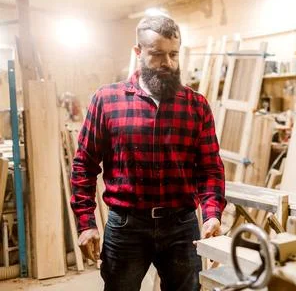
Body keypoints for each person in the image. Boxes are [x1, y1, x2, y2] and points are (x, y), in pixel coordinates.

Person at [70, 15, 226, 291]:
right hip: (127, 226)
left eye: (173, 54)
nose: (167, 63)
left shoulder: (196, 105)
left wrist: (212, 214)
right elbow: (84, 164)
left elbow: (210, 168)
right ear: (138, 52)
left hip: (182, 226)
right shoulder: (107, 100)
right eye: (157, 54)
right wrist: (86, 223)